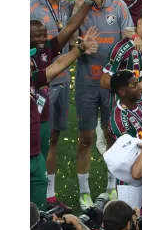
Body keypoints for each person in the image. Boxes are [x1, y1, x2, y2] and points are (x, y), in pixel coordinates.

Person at [30, 0, 93, 209]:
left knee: (51, 136)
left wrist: (85, 3)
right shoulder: (31, 9)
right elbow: (54, 64)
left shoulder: (67, 6)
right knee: (38, 139)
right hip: (41, 86)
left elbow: (69, 28)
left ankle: (48, 194)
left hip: (61, 82)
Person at [74, 0, 135, 207]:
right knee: (86, 137)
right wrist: (81, 44)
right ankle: (84, 191)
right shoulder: (78, 8)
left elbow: (129, 36)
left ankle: (112, 187)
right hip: (86, 84)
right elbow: (66, 40)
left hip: (110, 85)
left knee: (112, 134)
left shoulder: (119, 6)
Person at [30, 29, 98, 210]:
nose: (31, 63)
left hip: (35, 158)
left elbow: (56, 66)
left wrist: (79, 49)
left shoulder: (33, 80)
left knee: (38, 210)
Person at [109, 70, 142, 207]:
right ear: (122, 92)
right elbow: (130, 156)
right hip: (131, 182)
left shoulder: (141, 101)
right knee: (133, 222)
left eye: (137, 82)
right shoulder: (119, 120)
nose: (139, 87)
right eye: (133, 85)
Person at [101, 7, 142, 92]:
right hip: (123, 104)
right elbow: (104, 81)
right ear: (139, 23)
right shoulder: (121, 48)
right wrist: (137, 87)